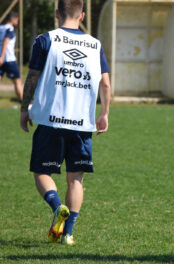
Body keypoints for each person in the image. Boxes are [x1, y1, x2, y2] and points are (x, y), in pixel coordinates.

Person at [20, 0, 111, 245]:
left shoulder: (45, 40)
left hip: (51, 120)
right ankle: (68, 234)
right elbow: (105, 84)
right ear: (82, 15)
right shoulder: (95, 44)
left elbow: (32, 77)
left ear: (58, 13)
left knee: (42, 172)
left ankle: (57, 206)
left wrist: (23, 108)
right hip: (82, 124)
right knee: (76, 179)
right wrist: (105, 113)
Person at [0, 11, 22, 101]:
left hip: (1, 59)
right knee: (17, 82)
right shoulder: (10, 29)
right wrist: (2, 57)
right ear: (13, 19)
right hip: (8, 59)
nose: (17, 22)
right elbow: (6, 41)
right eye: (17, 20)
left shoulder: (0, 27)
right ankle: (24, 104)